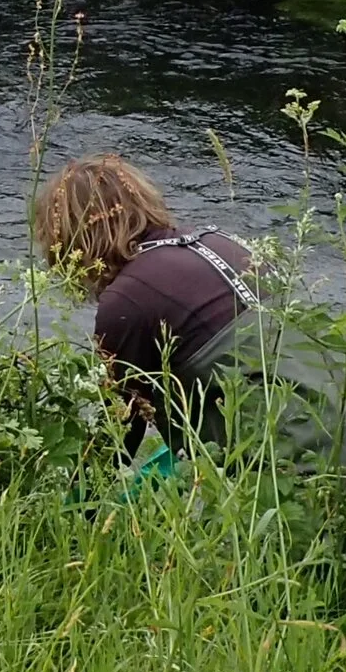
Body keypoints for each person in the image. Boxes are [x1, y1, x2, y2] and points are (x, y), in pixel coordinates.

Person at [36, 154, 257, 457]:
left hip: (281, 462)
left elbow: (123, 428)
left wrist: (78, 494)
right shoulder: (223, 241)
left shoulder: (126, 301)